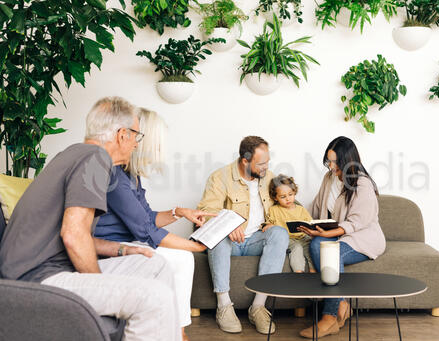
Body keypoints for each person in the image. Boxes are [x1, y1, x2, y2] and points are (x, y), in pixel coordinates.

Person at [0, 97, 182, 341]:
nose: (136, 145)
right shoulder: (95, 158)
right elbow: (73, 235)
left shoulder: (76, 154)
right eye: (137, 136)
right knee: (153, 299)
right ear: (122, 135)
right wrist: (104, 290)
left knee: (156, 265)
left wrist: (121, 250)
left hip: (47, 271)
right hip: (36, 279)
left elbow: (74, 232)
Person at [94, 108, 214, 341]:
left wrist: (180, 212)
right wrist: (195, 246)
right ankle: (178, 332)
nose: (160, 150)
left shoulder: (131, 175)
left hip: (130, 239)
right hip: (110, 248)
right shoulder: (116, 177)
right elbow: (145, 229)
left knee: (181, 258)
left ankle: (176, 329)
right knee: (182, 258)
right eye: (158, 144)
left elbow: (147, 216)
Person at [197, 136, 289, 334]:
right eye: (261, 163)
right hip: (230, 243)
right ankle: (224, 306)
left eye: (268, 161)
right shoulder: (220, 178)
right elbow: (206, 212)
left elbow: (280, 206)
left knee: (280, 234)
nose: (266, 167)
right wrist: (227, 225)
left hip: (256, 239)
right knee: (218, 236)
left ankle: (258, 307)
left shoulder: (269, 177)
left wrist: (272, 222)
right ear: (245, 161)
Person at [298, 136, 386, 339]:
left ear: (348, 161)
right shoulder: (329, 178)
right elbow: (318, 207)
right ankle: (343, 302)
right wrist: (302, 221)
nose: (330, 166)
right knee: (317, 244)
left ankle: (329, 318)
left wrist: (328, 234)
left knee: (330, 251)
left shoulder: (362, 184)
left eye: (335, 162)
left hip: (362, 238)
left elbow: (356, 223)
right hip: (336, 234)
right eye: (328, 161)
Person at [265, 174, 315, 273]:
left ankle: (313, 270)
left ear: (294, 193)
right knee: (296, 248)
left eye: (290, 195)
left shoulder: (301, 209)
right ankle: (298, 272)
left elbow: (311, 223)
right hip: (289, 239)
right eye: (283, 197)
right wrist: (268, 226)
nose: (288, 199)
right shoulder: (274, 210)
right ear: (275, 198)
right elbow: (269, 225)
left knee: (312, 247)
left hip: (303, 237)